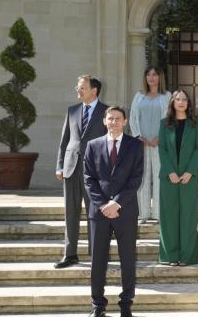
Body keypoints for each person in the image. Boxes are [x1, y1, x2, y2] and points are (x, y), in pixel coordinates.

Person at [83, 106, 144, 317]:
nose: (114, 122)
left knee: (127, 259)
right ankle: (97, 305)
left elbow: (136, 179)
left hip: (125, 211)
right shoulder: (92, 145)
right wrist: (103, 205)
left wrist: (116, 203)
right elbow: (89, 180)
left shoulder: (135, 145)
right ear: (104, 121)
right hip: (98, 213)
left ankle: (126, 304)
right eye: (110, 118)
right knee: (97, 260)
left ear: (125, 122)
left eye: (118, 118)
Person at [54, 75, 108, 269]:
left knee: (95, 213)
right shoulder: (72, 110)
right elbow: (64, 141)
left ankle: (97, 255)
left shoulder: (107, 112)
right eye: (78, 87)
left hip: (95, 171)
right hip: (71, 168)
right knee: (70, 212)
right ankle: (70, 254)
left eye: (82, 87)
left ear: (94, 90)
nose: (78, 90)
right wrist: (60, 165)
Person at [157, 90, 198, 266]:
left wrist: (190, 172)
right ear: (172, 103)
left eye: (185, 99)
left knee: (188, 216)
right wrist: (170, 171)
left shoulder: (196, 123)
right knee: (169, 216)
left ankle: (187, 257)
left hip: (189, 178)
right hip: (168, 178)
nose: (181, 102)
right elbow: (162, 149)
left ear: (189, 103)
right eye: (178, 99)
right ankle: (170, 256)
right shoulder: (164, 124)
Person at [129, 66, 171, 223]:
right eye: (148, 74)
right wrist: (138, 136)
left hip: (160, 144)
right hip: (141, 143)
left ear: (160, 77)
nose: (151, 77)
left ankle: (159, 214)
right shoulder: (139, 96)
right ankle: (144, 213)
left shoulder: (166, 96)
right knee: (143, 177)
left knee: (160, 177)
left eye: (154, 74)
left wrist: (160, 138)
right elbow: (133, 117)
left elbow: (169, 119)